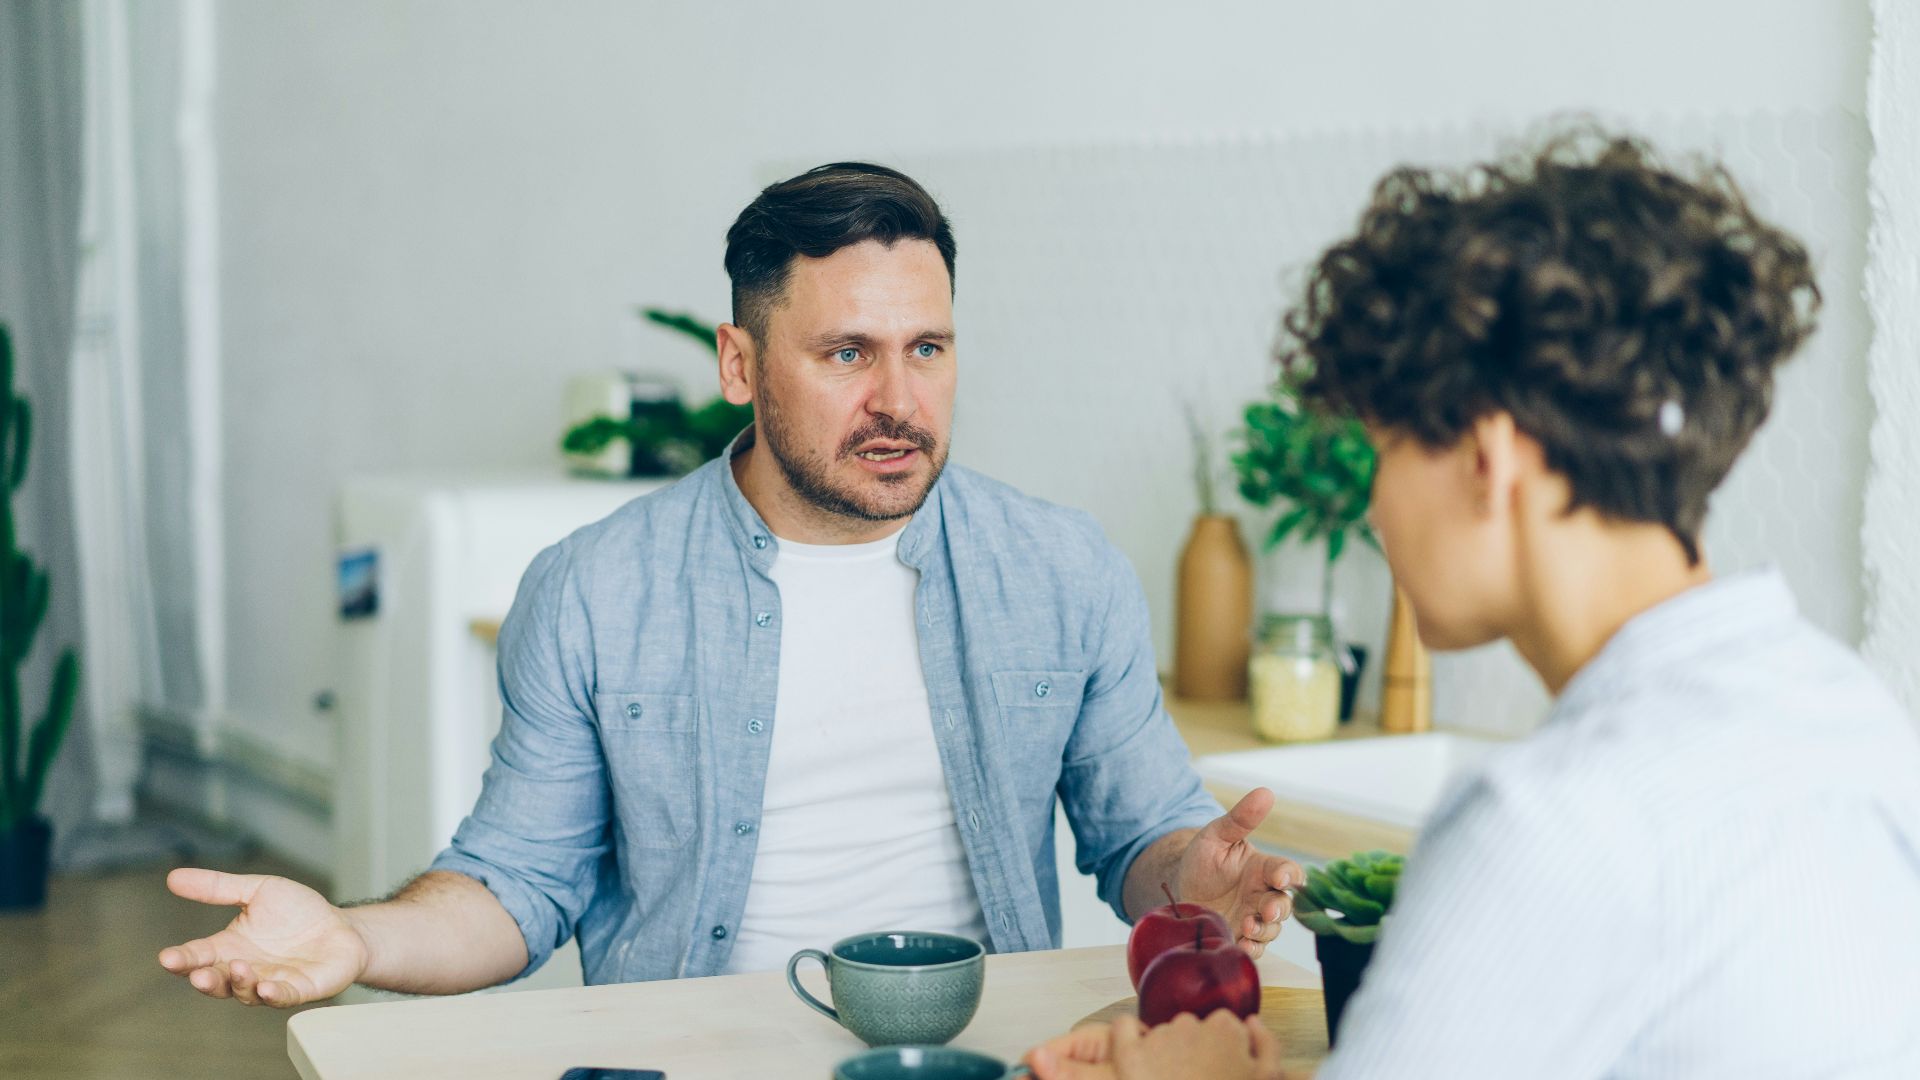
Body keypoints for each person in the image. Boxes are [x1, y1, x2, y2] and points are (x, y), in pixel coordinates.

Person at [156, 162, 1304, 1007]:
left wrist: (1191, 875)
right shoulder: (597, 591)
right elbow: (515, 886)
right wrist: (356, 939)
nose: (900, 401)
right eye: (848, 353)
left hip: (981, 1052)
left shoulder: (1061, 570)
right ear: (740, 363)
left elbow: (1139, 838)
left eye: (929, 349)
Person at [1027, 129, 1920, 1079]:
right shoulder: (1843, 707)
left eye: (1383, 449)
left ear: (1487, 462)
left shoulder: (1548, 822)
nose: (1372, 508)